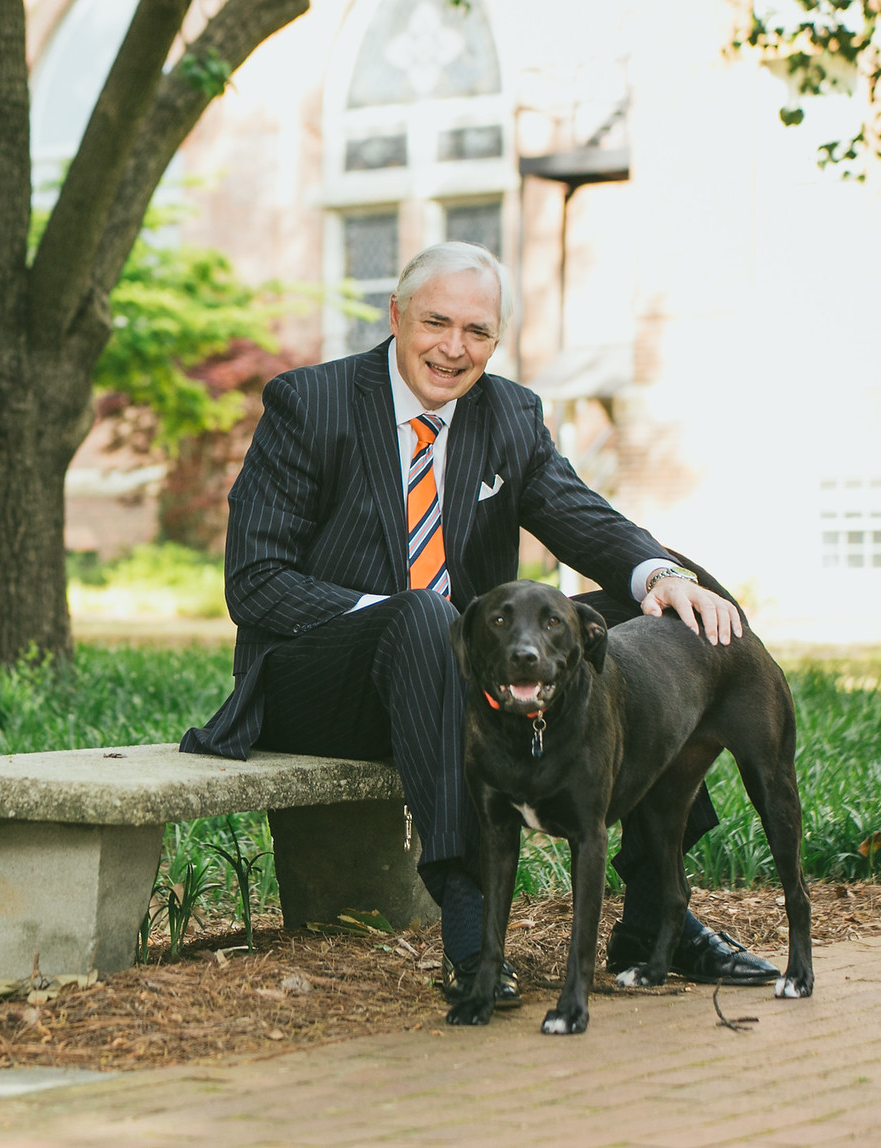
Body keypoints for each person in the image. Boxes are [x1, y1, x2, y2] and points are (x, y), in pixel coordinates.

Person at [180, 241, 777, 994]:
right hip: (323, 680)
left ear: (496, 340)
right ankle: (468, 919)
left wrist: (662, 573)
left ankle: (656, 913)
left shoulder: (509, 414)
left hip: (469, 668)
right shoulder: (311, 404)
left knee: (659, 609)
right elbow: (256, 583)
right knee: (425, 621)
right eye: (436, 323)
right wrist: (419, 617)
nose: (454, 349)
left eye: (478, 332)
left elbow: (578, 515)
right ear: (396, 316)